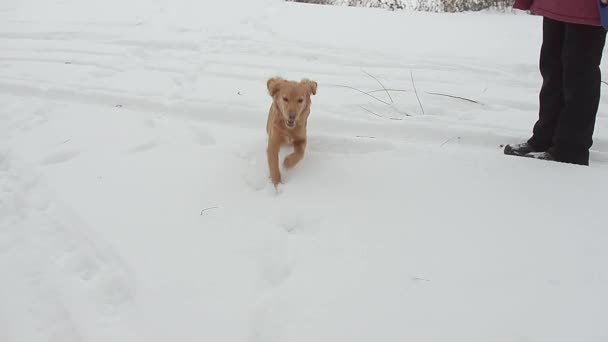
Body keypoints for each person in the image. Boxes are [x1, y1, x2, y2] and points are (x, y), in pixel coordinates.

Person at [504, 0, 607, 166]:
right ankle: (545, 138)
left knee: (579, 76)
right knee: (552, 70)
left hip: (589, 7)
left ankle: (570, 148)